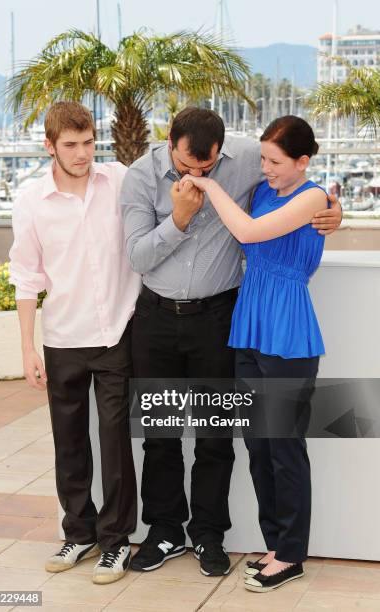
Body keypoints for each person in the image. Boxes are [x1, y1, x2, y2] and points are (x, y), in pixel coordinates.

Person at [120, 107, 341, 577]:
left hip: (227, 318)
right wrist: (178, 219)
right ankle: (165, 531)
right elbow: (136, 256)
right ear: (170, 142)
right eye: (187, 166)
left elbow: (286, 200)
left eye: (207, 166)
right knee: (166, 433)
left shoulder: (247, 161)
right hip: (170, 318)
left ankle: (211, 536)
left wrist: (331, 207)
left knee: (223, 435)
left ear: (222, 151)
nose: (196, 174)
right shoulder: (141, 176)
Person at [179, 115, 329, 592]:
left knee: (285, 447)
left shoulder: (313, 196)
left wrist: (205, 181)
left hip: (287, 330)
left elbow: (246, 233)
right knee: (258, 445)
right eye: (262, 158)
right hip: (249, 327)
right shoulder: (266, 190)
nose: (265, 168)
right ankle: (275, 543)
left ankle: (292, 553)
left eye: (276, 161)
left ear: (303, 162)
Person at [9, 101, 141, 584]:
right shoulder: (30, 202)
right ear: (50, 146)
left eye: (88, 143)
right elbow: (26, 278)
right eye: (71, 145)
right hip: (62, 336)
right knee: (69, 443)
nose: (83, 154)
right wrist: (27, 349)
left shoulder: (121, 180)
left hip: (116, 334)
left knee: (114, 442)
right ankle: (79, 532)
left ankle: (116, 542)